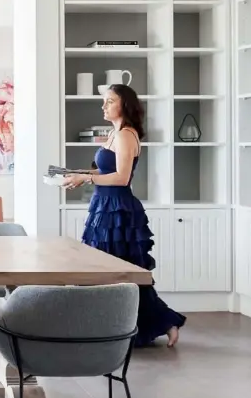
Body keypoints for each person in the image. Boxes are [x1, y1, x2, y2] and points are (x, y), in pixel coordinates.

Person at [62, 84, 186, 347]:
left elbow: (121, 178)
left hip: (119, 210)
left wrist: (85, 177)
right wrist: (79, 176)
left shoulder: (126, 135)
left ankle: (164, 322)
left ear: (125, 105)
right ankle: (106, 325)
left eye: (110, 101)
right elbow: (104, 172)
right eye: (104, 101)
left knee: (124, 272)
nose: (104, 106)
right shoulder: (112, 133)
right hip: (103, 206)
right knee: (101, 269)